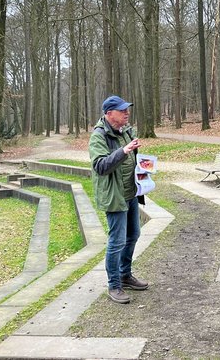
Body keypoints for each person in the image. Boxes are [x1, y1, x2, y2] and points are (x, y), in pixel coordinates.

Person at [89, 95, 149, 304]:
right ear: (108, 113)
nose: (127, 113)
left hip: (131, 193)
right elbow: (101, 166)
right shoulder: (99, 136)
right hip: (115, 197)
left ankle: (125, 275)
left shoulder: (126, 131)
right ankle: (114, 285)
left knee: (134, 234)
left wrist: (142, 169)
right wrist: (124, 151)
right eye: (122, 110)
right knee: (117, 241)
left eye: (127, 109)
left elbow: (130, 160)